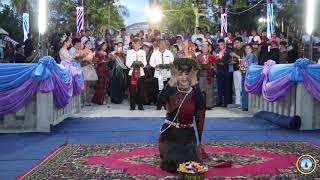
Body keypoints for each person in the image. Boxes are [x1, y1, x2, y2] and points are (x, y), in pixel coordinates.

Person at [158, 58, 205, 173]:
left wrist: (195, 83)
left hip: (188, 136)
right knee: (172, 165)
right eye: (180, 74)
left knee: (191, 164)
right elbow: (160, 100)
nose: (184, 77)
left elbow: (201, 106)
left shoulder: (195, 92)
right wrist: (172, 80)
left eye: (187, 74)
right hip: (170, 135)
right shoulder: (171, 90)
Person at [150, 39, 174, 110]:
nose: (163, 45)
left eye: (164, 44)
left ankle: (166, 104)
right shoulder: (155, 53)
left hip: (167, 73)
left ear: (166, 45)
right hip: (158, 74)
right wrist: (156, 66)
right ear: (158, 45)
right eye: (161, 44)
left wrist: (169, 65)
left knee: (167, 90)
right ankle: (159, 104)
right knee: (159, 90)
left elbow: (172, 61)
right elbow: (151, 62)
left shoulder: (169, 53)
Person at [126, 38, 147, 110]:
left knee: (141, 90)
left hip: (141, 73)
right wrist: (133, 65)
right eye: (135, 44)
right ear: (133, 44)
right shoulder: (129, 52)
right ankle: (132, 106)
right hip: (132, 73)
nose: (137, 45)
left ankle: (140, 106)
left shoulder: (143, 52)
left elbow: (145, 62)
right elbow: (127, 63)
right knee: (132, 90)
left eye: (138, 44)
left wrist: (141, 64)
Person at [214, 39, 233, 107]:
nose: (220, 46)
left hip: (226, 69)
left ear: (224, 44)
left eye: (222, 44)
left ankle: (226, 102)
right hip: (219, 69)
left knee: (226, 86)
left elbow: (232, 59)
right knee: (219, 86)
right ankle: (219, 101)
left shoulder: (228, 50)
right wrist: (216, 61)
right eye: (219, 45)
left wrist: (225, 62)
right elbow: (214, 58)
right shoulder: (216, 50)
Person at [197, 43, 216, 109]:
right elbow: (196, 66)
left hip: (209, 75)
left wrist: (212, 67)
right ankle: (201, 104)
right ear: (201, 49)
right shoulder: (198, 56)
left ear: (208, 48)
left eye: (206, 47)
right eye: (203, 47)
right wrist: (199, 67)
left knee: (209, 91)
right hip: (201, 76)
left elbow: (215, 65)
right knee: (201, 90)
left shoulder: (211, 56)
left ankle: (209, 105)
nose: (204, 49)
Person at [241, 44, 257, 111]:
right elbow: (242, 66)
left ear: (251, 49)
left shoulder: (253, 56)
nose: (247, 49)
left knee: (249, 90)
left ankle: (250, 105)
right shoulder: (244, 57)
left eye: (248, 48)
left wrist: (246, 66)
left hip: (250, 75)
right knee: (244, 90)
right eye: (246, 48)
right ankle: (245, 106)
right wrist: (242, 67)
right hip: (244, 73)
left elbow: (254, 65)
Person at [81, 40, 97, 106]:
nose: (89, 45)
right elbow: (81, 60)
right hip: (84, 68)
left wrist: (94, 61)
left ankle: (87, 100)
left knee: (88, 85)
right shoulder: (83, 51)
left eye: (90, 44)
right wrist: (85, 60)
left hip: (90, 68)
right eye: (87, 44)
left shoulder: (91, 51)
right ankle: (83, 100)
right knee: (84, 84)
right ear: (85, 44)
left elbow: (93, 60)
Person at [230, 37, 244, 107]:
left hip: (241, 69)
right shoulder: (235, 49)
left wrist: (235, 55)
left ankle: (243, 102)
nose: (236, 44)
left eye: (237, 43)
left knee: (241, 86)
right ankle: (237, 102)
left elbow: (243, 59)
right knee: (236, 87)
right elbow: (234, 59)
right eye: (235, 43)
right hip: (234, 68)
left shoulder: (244, 49)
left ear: (241, 43)